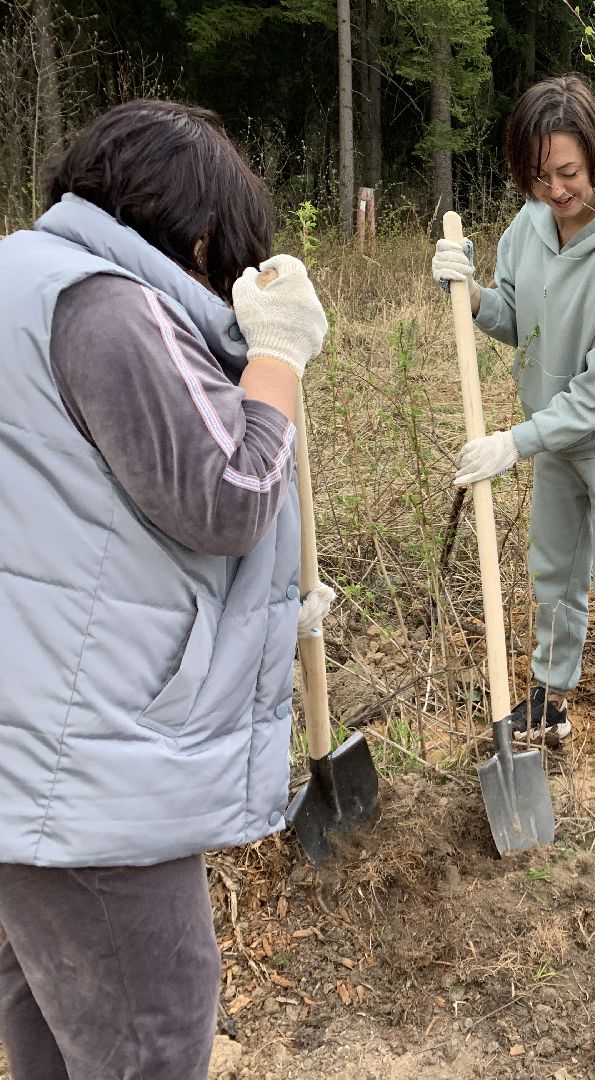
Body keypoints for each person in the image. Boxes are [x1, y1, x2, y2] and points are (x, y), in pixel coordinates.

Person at [0, 100, 331, 1079]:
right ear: (196, 240)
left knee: (52, 1028)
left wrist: (264, 628)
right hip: (89, 766)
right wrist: (276, 356)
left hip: (30, 741)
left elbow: (74, 530)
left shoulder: (20, 278)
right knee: (153, 1033)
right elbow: (228, 497)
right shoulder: (108, 307)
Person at [431, 74, 595, 777]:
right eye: (539, 175)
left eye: (568, 172)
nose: (556, 190)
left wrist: (513, 442)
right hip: (553, 437)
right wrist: (471, 297)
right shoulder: (528, 227)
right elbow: (516, 319)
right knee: (555, 573)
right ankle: (551, 700)